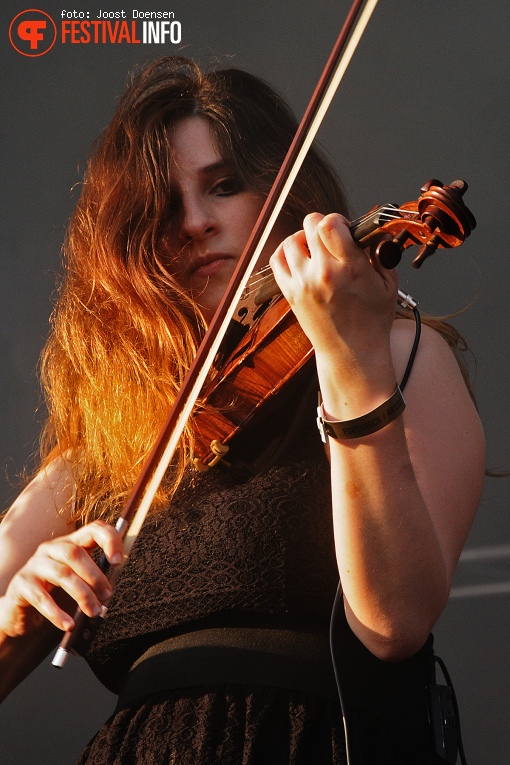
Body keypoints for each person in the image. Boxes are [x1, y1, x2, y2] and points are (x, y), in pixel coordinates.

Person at [0, 56, 485, 764]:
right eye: (164, 208)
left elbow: (394, 623)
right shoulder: (112, 443)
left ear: (282, 193)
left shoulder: (401, 353)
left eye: (224, 186)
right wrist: (12, 618)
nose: (195, 222)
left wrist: (349, 361)